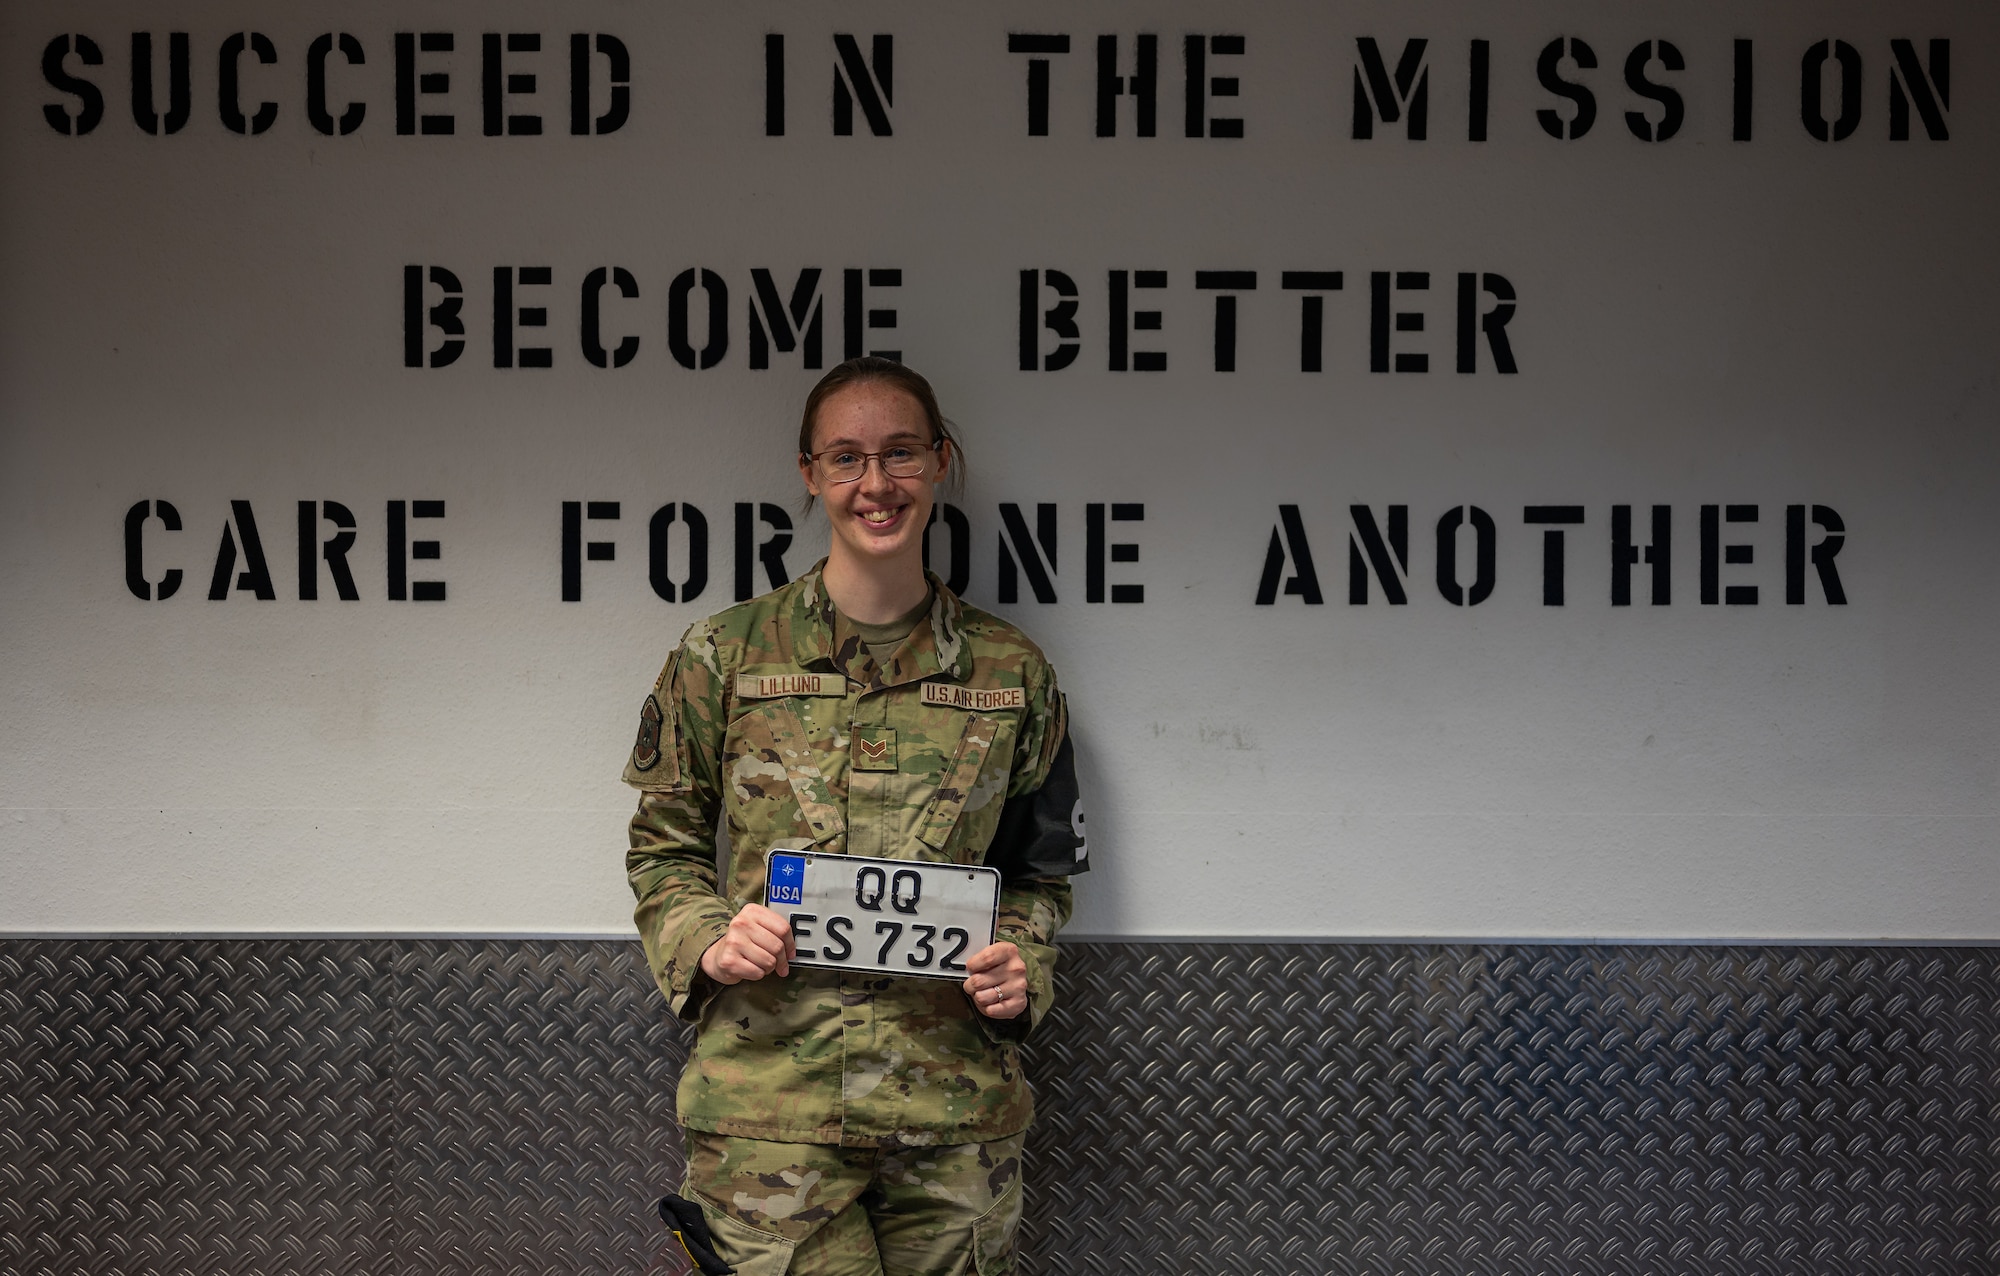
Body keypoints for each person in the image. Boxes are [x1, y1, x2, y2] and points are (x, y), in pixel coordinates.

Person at [623, 357, 1088, 1276]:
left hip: (953, 1115)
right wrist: (709, 940)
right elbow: (663, 849)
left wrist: (1021, 965)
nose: (876, 483)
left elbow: (1039, 879)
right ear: (811, 473)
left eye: (901, 453)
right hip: (770, 1110)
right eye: (846, 458)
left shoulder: (1012, 673)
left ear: (941, 462)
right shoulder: (723, 655)